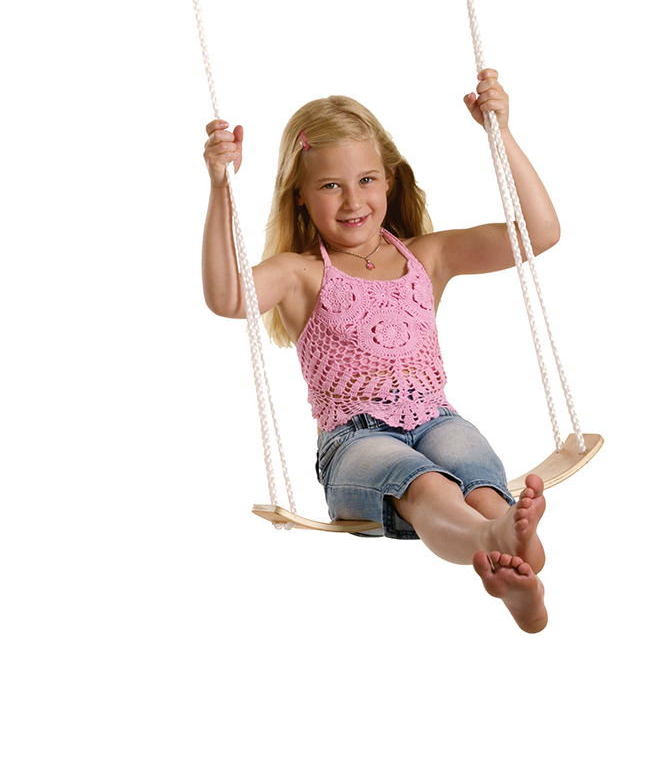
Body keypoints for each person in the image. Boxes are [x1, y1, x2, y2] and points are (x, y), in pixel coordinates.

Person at [202, 70, 560, 633]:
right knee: (428, 485)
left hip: (436, 418)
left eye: (366, 179)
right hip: (354, 442)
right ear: (300, 195)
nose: (352, 201)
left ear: (389, 180)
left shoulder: (428, 256)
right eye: (330, 186)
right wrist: (221, 186)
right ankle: (493, 542)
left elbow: (538, 234)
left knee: (478, 476)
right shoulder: (300, 274)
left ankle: (519, 572)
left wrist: (502, 132)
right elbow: (228, 297)